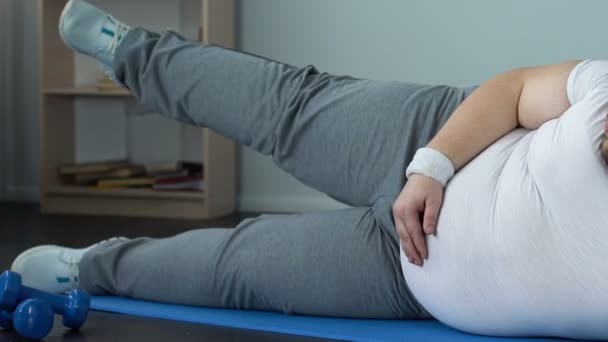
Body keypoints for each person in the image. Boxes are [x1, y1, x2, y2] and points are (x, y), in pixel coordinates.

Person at [12, 0, 608, 340]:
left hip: (412, 280)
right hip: (438, 138)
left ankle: (89, 268)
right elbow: (515, 89)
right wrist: (430, 167)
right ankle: (132, 52)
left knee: (239, 270)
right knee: (284, 108)